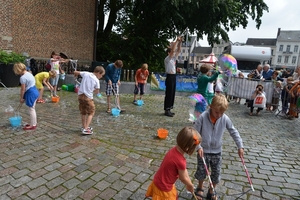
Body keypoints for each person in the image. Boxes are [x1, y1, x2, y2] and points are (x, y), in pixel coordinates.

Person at [193, 94, 244, 200]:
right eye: (217, 112)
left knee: (216, 173)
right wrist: (198, 147)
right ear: (211, 107)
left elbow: (233, 131)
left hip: (217, 151)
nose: (219, 115)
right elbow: (195, 132)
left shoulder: (225, 118)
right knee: (201, 171)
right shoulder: (203, 117)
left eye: (222, 112)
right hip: (204, 150)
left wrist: (240, 146)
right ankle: (200, 187)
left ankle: (212, 190)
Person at [145, 126, 201, 199]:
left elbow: (184, 171)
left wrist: (189, 182)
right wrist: (190, 185)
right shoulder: (180, 161)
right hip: (164, 186)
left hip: (159, 180)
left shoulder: (174, 149)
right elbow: (183, 178)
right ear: (188, 147)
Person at [74, 66, 105, 134]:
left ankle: (84, 126)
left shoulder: (86, 73)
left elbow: (75, 72)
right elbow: (97, 92)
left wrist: (75, 75)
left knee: (83, 112)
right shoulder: (96, 80)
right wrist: (98, 95)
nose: (101, 77)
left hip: (80, 96)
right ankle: (85, 129)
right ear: (98, 73)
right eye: (102, 75)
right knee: (91, 112)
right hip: (88, 98)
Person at [13, 63, 39, 130]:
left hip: (31, 93)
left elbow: (23, 89)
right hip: (35, 91)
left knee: (31, 109)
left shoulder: (22, 78)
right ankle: (34, 123)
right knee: (32, 108)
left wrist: (21, 98)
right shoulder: (29, 73)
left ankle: (33, 125)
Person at [164, 36, 183, 117]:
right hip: (169, 77)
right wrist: (176, 41)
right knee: (169, 93)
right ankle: (167, 109)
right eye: (172, 52)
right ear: (168, 53)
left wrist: (180, 42)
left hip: (173, 76)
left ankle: (169, 108)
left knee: (172, 93)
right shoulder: (167, 59)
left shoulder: (173, 59)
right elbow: (173, 51)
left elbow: (178, 50)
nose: (174, 53)